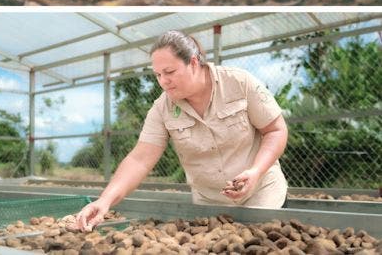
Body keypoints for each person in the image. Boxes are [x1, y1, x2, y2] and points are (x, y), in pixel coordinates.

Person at [74, 30, 288, 232]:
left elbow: (275, 130)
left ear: (193, 62)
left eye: (169, 72)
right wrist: (105, 201)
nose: (163, 81)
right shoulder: (162, 108)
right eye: (157, 74)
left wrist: (256, 171)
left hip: (261, 193)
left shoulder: (239, 82)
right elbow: (140, 159)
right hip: (210, 206)